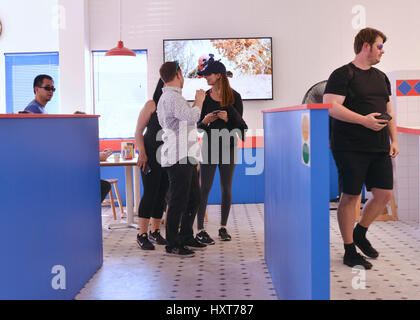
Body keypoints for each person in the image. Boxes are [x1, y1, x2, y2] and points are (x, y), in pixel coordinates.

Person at [323, 27, 399, 270]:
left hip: (378, 147)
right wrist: (363, 120)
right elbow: (331, 107)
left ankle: (360, 232)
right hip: (350, 147)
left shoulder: (381, 76)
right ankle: (349, 251)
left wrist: (394, 140)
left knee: (384, 194)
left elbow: (390, 110)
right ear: (366, 45)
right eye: (379, 45)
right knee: (351, 197)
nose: (382, 50)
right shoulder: (343, 74)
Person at [157, 61, 207, 257]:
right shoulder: (172, 97)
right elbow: (191, 117)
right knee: (179, 201)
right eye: (182, 74)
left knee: (194, 198)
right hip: (179, 156)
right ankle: (173, 243)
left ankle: (186, 236)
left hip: (186, 154)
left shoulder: (171, 97)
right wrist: (199, 100)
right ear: (178, 74)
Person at [195, 55, 245, 244]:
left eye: (208, 74)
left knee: (226, 187)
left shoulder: (235, 97)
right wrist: (205, 121)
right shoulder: (204, 98)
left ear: (218, 75)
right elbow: (198, 126)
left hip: (229, 147)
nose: (205, 78)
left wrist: (227, 119)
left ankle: (223, 227)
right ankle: (199, 229)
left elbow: (240, 126)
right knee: (204, 188)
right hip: (208, 146)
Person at [134, 79, 169, 250]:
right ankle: (141, 234)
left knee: (162, 193)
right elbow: (138, 131)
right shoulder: (151, 104)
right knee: (150, 193)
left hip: (167, 156)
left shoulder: (172, 105)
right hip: (149, 155)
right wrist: (142, 152)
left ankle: (155, 232)